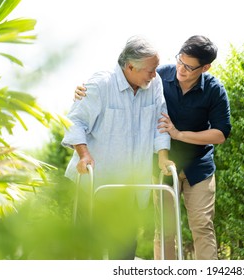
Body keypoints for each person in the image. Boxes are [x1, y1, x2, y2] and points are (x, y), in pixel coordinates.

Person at [74, 35, 232, 260]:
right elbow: (120, 88)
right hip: (161, 167)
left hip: (198, 166)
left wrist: (177, 136)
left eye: (189, 66)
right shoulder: (158, 76)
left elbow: (220, 133)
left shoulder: (212, 89)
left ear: (205, 67)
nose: (181, 68)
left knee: (202, 225)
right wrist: (84, 92)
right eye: (180, 61)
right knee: (165, 229)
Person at [62, 35, 174, 260]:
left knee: (124, 252)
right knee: (89, 249)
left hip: (129, 188)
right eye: (150, 70)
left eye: (156, 70)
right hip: (95, 184)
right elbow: (75, 121)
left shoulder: (155, 84)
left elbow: (160, 122)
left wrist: (162, 155)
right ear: (130, 66)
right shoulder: (100, 85)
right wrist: (83, 155)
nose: (155, 75)